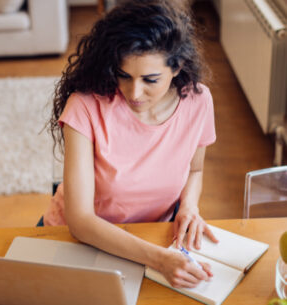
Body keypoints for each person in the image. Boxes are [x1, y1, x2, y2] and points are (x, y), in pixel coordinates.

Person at [41, 0, 219, 289]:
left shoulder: (198, 101)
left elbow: (195, 171)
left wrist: (189, 207)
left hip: (152, 236)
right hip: (81, 240)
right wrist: (159, 259)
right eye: (123, 75)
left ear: (177, 67)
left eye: (150, 79)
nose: (134, 92)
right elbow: (80, 221)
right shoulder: (85, 106)